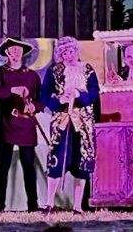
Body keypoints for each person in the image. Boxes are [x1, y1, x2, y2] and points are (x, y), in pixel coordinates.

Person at [40, 36, 99, 212]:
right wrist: (60, 100)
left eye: (71, 51)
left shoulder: (87, 69)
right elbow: (44, 94)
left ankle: (78, 206)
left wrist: (80, 96)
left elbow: (94, 92)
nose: (69, 55)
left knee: (82, 161)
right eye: (65, 53)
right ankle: (49, 203)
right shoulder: (54, 71)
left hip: (83, 123)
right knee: (57, 159)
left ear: (76, 51)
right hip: (62, 120)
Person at [0, 37, 44, 212]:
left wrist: (35, 106)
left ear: (23, 52)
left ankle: (33, 206)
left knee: (29, 167)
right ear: (7, 52)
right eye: (12, 49)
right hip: (6, 123)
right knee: (3, 167)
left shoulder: (32, 75)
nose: (15, 52)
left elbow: (41, 100)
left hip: (26, 125)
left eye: (18, 49)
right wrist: (11, 90)